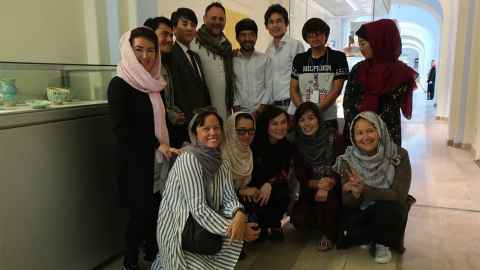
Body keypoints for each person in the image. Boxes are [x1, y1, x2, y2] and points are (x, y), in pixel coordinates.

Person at [107, 27, 180, 270]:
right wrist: (156, 144)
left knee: (155, 210)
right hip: (136, 162)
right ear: (128, 50)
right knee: (138, 215)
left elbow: (158, 120)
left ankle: (153, 253)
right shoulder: (120, 83)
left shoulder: (155, 83)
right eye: (139, 50)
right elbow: (122, 129)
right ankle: (129, 262)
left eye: (151, 50)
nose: (146, 56)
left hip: (158, 159)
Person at [152, 110, 261, 270]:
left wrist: (239, 214)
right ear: (195, 133)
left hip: (202, 226)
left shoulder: (221, 161)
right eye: (206, 128)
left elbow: (229, 197)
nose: (213, 133)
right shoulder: (189, 159)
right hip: (180, 228)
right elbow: (199, 208)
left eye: (216, 128)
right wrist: (238, 230)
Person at [333, 111, 412, 264]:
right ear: (353, 136)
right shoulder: (347, 159)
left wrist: (365, 190)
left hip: (389, 211)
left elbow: (399, 195)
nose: (365, 137)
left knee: (388, 209)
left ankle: (381, 242)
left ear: (380, 130)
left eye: (370, 130)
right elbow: (347, 202)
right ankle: (371, 237)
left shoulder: (398, 155)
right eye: (359, 133)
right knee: (346, 222)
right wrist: (355, 194)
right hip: (363, 211)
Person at [343, 19, 417, 146]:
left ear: (379, 42)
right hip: (359, 134)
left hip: (387, 135)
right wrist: (358, 128)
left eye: (363, 43)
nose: (361, 49)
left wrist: (373, 130)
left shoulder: (401, 73)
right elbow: (348, 102)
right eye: (359, 45)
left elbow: (391, 107)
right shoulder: (359, 69)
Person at [291, 102, 340, 251]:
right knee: (298, 219)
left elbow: (342, 168)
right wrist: (319, 185)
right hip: (311, 189)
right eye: (302, 120)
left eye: (311, 118)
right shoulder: (298, 144)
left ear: (319, 119)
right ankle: (320, 223)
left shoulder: (334, 137)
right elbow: (302, 178)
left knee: (329, 200)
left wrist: (327, 183)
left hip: (335, 188)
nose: (307, 124)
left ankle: (329, 234)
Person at [290, 18, 349, 132]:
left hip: (328, 117)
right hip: (304, 118)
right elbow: (293, 89)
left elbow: (337, 89)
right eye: (310, 36)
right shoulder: (299, 59)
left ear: (325, 35)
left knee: (328, 148)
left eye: (318, 34)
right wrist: (304, 111)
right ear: (306, 38)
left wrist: (314, 111)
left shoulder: (338, 57)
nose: (314, 38)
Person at [248, 105, 294, 240]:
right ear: (265, 124)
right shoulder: (254, 143)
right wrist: (260, 185)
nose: (280, 128)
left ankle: (274, 225)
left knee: (282, 191)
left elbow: (284, 171)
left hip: (273, 186)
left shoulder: (287, 145)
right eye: (274, 123)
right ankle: (259, 225)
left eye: (283, 122)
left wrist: (269, 183)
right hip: (251, 187)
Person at [168, 8, 211, 148]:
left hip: (199, 123)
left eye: (193, 25)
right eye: (184, 24)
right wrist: (190, 120)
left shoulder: (195, 56)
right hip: (184, 125)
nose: (189, 28)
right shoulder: (170, 55)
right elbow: (177, 91)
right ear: (174, 28)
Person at [191, 2, 234, 119]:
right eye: (213, 18)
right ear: (204, 19)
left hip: (225, 109)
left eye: (221, 19)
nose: (217, 22)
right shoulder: (194, 42)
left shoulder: (227, 46)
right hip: (203, 110)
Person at [264, 4, 305, 112]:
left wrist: (293, 108)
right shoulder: (268, 49)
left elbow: (302, 79)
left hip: (291, 106)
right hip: (273, 106)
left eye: (279, 21)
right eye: (271, 22)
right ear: (267, 26)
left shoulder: (296, 45)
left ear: (286, 24)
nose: (275, 25)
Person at [233, 18, 273, 117]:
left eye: (251, 34)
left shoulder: (265, 59)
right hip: (240, 113)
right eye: (243, 35)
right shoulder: (231, 60)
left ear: (256, 37)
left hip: (262, 112)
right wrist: (238, 110)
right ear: (237, 38)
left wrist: (259, 110)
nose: (247, 39)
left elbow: (269, 87)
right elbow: (232, 87)